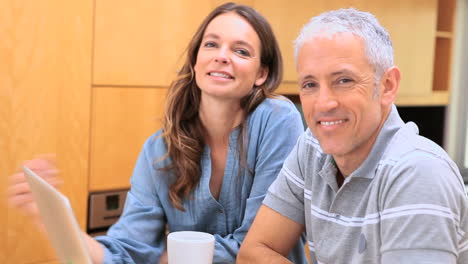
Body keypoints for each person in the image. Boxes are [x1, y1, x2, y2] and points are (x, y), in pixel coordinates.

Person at [8, 3, 308, 264]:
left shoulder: (277, 119)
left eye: (241, 51)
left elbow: (254, 250)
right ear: (194, 61)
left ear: (261, 74)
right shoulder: (158, 150)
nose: (222, 56)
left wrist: (163, 258)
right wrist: (51, 219)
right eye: (211, 44)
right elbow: (125, 254)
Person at [237, 8, 468, 264]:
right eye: (310, 84)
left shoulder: (417, 171)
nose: (324, 103)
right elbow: (253, 253)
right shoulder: (312, 147)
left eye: (344, 80)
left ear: (387, 85)